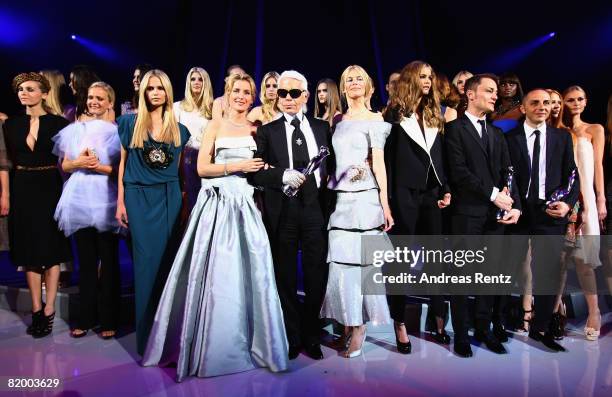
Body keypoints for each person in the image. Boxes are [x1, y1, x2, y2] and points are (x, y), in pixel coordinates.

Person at [142, 73, 288, 380]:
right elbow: (202, 168)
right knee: (216, 274)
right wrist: (236, 166)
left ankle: (252, 342)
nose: (241, 96)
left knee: (251, 272)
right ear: (228, 93)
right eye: (236, 91)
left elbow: (262, 168)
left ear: (253, 97)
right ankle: (208, 347)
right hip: (217, 203)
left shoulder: (257, 128)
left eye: (247, 92)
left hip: (246, 205)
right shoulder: (214, 124)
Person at [252, 70, 332, 361]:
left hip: (314, 210)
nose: (287, 99)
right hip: (282, 213)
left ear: (305, 96)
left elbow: (331, 168)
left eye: (293, 94)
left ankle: (312, 334)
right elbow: (254, 175)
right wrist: (280, 175)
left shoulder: (322, 127)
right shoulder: (267, 131)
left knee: (315, 275)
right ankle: (292, 335)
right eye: (282, 93)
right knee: (284, 275)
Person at [445, 73, 521, 357]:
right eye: (489, 91)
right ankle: (462, 336)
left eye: (495, 92)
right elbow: (459, 172)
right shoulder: (453, 130)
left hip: (495, 217)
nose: (495, 96)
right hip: (466, 215)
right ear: (471, 94)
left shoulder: (497, 134)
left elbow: (507, 172)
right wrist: (493, 195)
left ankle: (484, 329)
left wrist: (510, 202)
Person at [319, 65, 392, 358]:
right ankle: (348, 323)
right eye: (349, 79)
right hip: (340, 200)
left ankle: (360, 326)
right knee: (340, 266)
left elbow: (380, 166)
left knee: (364, 267)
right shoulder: (336, 120)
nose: (354, 82)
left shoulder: (376, 119)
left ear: (369, 86)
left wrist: (385, 204)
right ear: (344, 87)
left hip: (365, 200)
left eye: (359, 78)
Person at [116, 69, 190, 355]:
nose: (155, 93)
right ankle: (147, 337)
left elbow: (181, 173)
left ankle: (168, 337)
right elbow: (122, 166)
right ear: (143, 91)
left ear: (168, 92)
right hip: (137, 196)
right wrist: (120, 202)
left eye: (160, 88)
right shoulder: (127, 123)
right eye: (151, 88)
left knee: (169, 264)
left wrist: (184, 203)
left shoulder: (179, 130)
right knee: (146, 264)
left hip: (169, 197)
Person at [384, 61, 451, 351]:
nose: (427, 81)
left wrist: (445, 187)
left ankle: (438, 319)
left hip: (431, 194)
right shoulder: (393, 115)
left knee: (435, 258)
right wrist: (386, 201)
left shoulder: (435, 113)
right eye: (422, 76)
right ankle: (399, 323)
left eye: (430, 76)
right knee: (399, 262)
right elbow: (386, 161)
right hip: (403, 195)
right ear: (411, 78)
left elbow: (440, 156)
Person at [505, 88, 578, 351]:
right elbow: (506, 176)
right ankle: (501, 321)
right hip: (519, 212)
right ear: (523, 108)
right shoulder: (509, 138)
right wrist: (511, 206)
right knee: (510, 266)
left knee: (549, 272)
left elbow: (572, 176)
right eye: (535, 103)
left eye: (546, 103)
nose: (542, 107)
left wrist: (567, 204)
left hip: (550, 213)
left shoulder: (562, 138)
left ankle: (542, 328)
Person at [3, 73, 73, 338]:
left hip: (50, 187)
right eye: (20, 89)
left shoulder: (58, 123)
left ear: (44, 93)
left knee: (51, 250)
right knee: (29, 252)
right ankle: (36, 309)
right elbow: (5, 162)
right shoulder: (10, 125)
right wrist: (6, 196)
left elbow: (67, 161)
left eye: (30, 89)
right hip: (22, 188)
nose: (23, 93)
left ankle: (49, 309)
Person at [53, 82, 122, 339]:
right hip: (80, 199)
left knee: (110, 261)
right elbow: (66, 165)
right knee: (86, 262)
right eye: (91, 97)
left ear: (109, 102)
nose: (94, 102)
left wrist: (98, 167)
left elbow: (120, 170)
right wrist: (79, 162)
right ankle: (85, 318)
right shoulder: (75, 129)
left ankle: (108, 319)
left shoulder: (117, 132)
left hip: (105, 198)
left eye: (100, 98)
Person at [557, 86, 606, 340]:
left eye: (580, 99)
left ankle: (594, 312)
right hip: (564, 200)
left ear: (586, 102)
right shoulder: (559, 132)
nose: (575, 103)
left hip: (586, 198)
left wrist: (600, 199)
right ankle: (556, 311)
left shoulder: (594, 129)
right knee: (560, 261)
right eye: (570, 100)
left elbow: (598, 166)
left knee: (584, 261)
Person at [173, 67, 214, 213]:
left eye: (200, 79)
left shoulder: (213, 109)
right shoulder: (177, 107)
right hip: (183, 160)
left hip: (205, 160)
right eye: (193, 79)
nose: (196, 82)